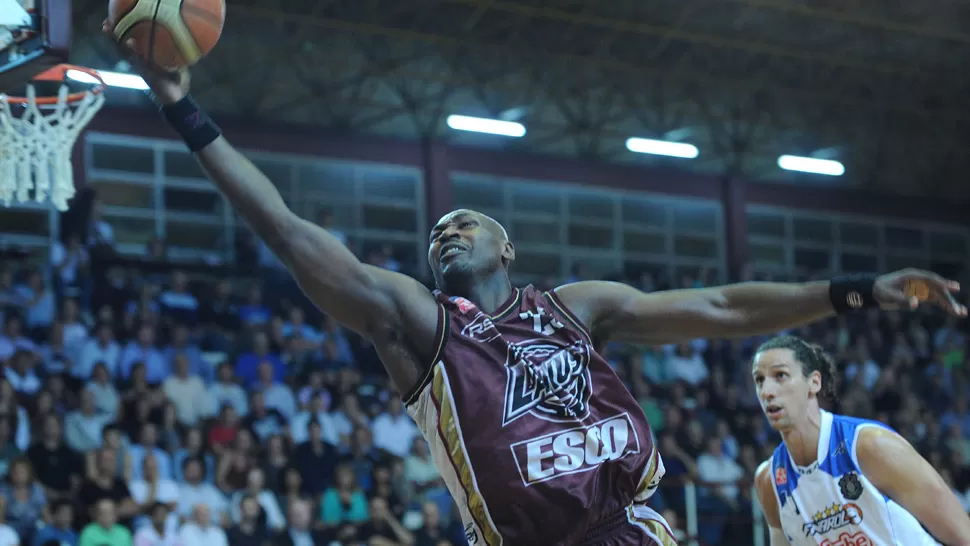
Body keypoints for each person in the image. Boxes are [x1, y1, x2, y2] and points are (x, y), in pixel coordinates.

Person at [105, 21, 968, 545]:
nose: (446, 228)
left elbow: (719, 305)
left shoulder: (575, 309)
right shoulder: (418, 323)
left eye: (465, 221)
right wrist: (184, 112)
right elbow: (292, 235)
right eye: (436, 229)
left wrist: (855, 289)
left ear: (507, 248)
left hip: (636, 529)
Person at [751, 336, 970, 546]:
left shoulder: (870, 446)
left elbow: (963, 535)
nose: (767, 391)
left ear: (814, 382)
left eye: (780, 375)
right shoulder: (769, 480)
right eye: (759, 380)